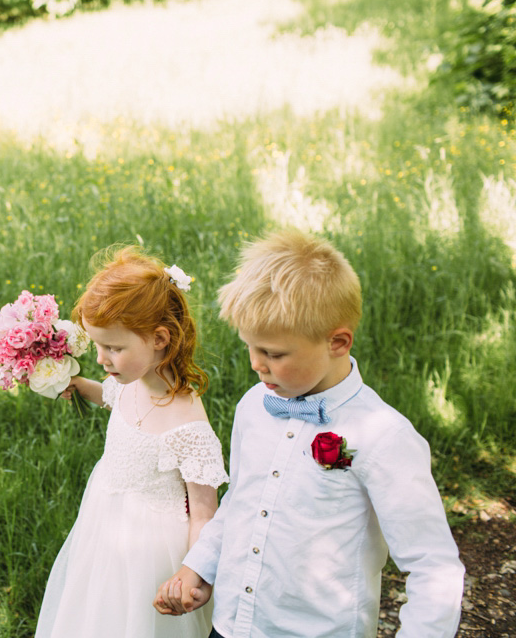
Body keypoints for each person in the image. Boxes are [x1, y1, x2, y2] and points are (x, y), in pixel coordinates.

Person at [153, 230, 465, 637]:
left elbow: (432, 564)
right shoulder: (254, 405)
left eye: (275, 354)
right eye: (251, 347)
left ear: (338, 341)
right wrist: (200, 568)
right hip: (233, 625)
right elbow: (242, 503)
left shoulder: (382, 436)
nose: (256, 365)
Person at [34, 246, 228, 638]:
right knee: (96, 609)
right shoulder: (129, 384)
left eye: (115, 348)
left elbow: (205, 514)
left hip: (151, 549)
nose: (103, 359)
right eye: (99, 346)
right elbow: (108, 395)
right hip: (104, 520)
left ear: (159, 338)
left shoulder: (188, 426)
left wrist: (195, 575)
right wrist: (73, 383)